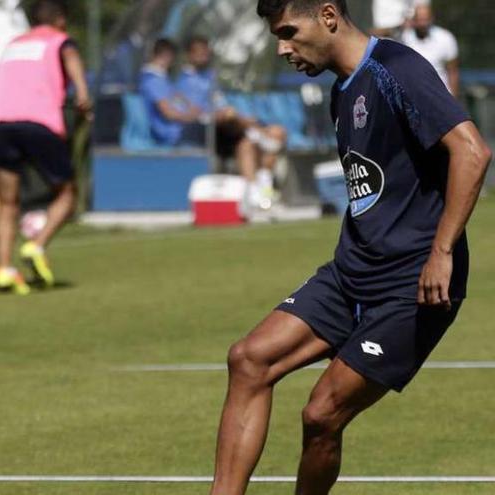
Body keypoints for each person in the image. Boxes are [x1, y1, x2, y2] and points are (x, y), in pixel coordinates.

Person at [209, 1, 491, 494]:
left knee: (321, 414)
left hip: (413, 286)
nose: (283, 48)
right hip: (352, 271)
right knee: (248, 360)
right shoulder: (342, 89)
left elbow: (472, 150)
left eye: (290, 32)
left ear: (328, 16)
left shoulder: (395, 68)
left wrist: (442, 252)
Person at [0, 0, 91, 295]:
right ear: (61, 20)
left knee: (7, 203)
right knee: (67, 193)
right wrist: (81, 93)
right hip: (37, 121)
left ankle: (3, 269)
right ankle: (36, 246)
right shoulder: (59, 40)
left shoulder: (13, 44)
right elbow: (70, 55)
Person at [176, 36, 287, 212]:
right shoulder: (185, 81)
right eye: (199, 53)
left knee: (275, 133)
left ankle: (260, 192)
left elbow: (221, 102)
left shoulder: (211, 76)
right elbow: (196, 112)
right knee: (233, 118)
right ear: (189, 55)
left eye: (206, 52)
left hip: (232, 129)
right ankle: (255, 134)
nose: (204, 56)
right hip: (208, 132)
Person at [401, 3, 460, 95]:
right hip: (414, 97)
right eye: (419, 20)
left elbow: (453, 70)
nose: (422, 24)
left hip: (441, 96)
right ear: (413, 21)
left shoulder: (446, 38)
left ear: (432, 19)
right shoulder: (404, 39)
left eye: (425, 20)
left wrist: (454, 98)